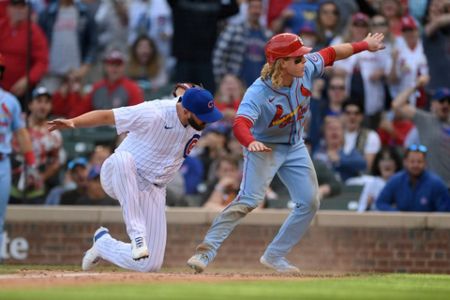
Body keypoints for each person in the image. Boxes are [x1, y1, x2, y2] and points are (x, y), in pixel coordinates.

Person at [187, 31, 385, 273]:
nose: (304, 61)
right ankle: (205, 253)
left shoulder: (306, 68)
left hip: (294, 145)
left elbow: (332, 53)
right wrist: (250, 142)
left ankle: (274, 255)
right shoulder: (258, 92)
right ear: (281, 63)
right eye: (297, 58)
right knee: (248, 200)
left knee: (310, 202)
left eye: (302, 57)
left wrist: (365, 45)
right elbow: (240, 123)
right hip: (263, 145)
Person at [47, 85, 223, 272]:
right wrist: (74, 122)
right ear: (186, 110)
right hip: (117, 173)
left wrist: (186, 91)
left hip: (154, 187)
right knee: (125, 159)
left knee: (150, 264)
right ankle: (137, 235)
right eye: (202, 117)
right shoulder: (153, 112)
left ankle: (103, 245)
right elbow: (108, 116)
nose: (206, 122)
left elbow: (186, 95)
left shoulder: (190, 107)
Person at [0, 52, 35, 258]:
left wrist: (30, 162)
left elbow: (21, 132)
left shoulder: (10, 100)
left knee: (0, 217)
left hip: (2, 162)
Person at [392, 81, 450, 187]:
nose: (446, 104)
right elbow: (397, 105)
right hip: (432, 186)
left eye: (449, 101)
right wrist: (416, 85)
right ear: (433, 104)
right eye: (442, 101)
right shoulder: (425, 119)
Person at [376, 144, 450, 212]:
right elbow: (381, 203)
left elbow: (445, 211)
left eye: (419, 162)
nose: (415, 165)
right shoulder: (396, 180)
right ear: (405, 162)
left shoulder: (436, 184)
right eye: (412, 161)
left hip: (428, 225)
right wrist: (398, 214)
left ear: (425, 163)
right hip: (401, 225)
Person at [357, 147, 402, 212]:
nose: (387, 163)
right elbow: (360, 211)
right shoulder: (371, 183)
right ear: (377, 164)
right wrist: (368, 206)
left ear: (396, 163)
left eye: (390, 159)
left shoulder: (402, 182)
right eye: (383, 159)